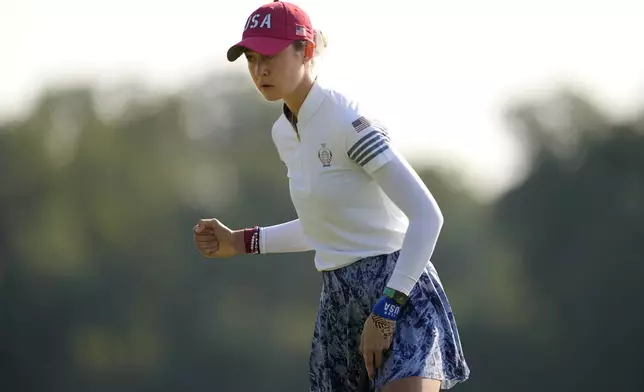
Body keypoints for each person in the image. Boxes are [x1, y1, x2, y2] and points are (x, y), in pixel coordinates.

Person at [193, 1, 470, 391]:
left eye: (270, 56)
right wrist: (240, 241)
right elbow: (324, 228)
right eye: (252, 59)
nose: (260, 70)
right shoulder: (284, 133)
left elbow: (427, 216)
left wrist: (386, 311)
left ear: (306, 52)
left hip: (399, 292)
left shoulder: (347, 123)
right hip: (338, 303)